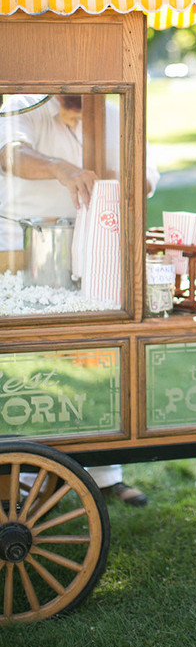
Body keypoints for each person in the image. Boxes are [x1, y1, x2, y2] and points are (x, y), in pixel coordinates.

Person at [0, 93, 160, 506]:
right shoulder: (24, 104)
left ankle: (104, 472)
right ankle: (26, 472)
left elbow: (146, 176)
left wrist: (131, 178)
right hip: (23, 253)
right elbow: (9, 153)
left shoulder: (114, 110)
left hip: (96, 253)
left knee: (98, 361)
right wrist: (61, 169)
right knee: (31, 371)